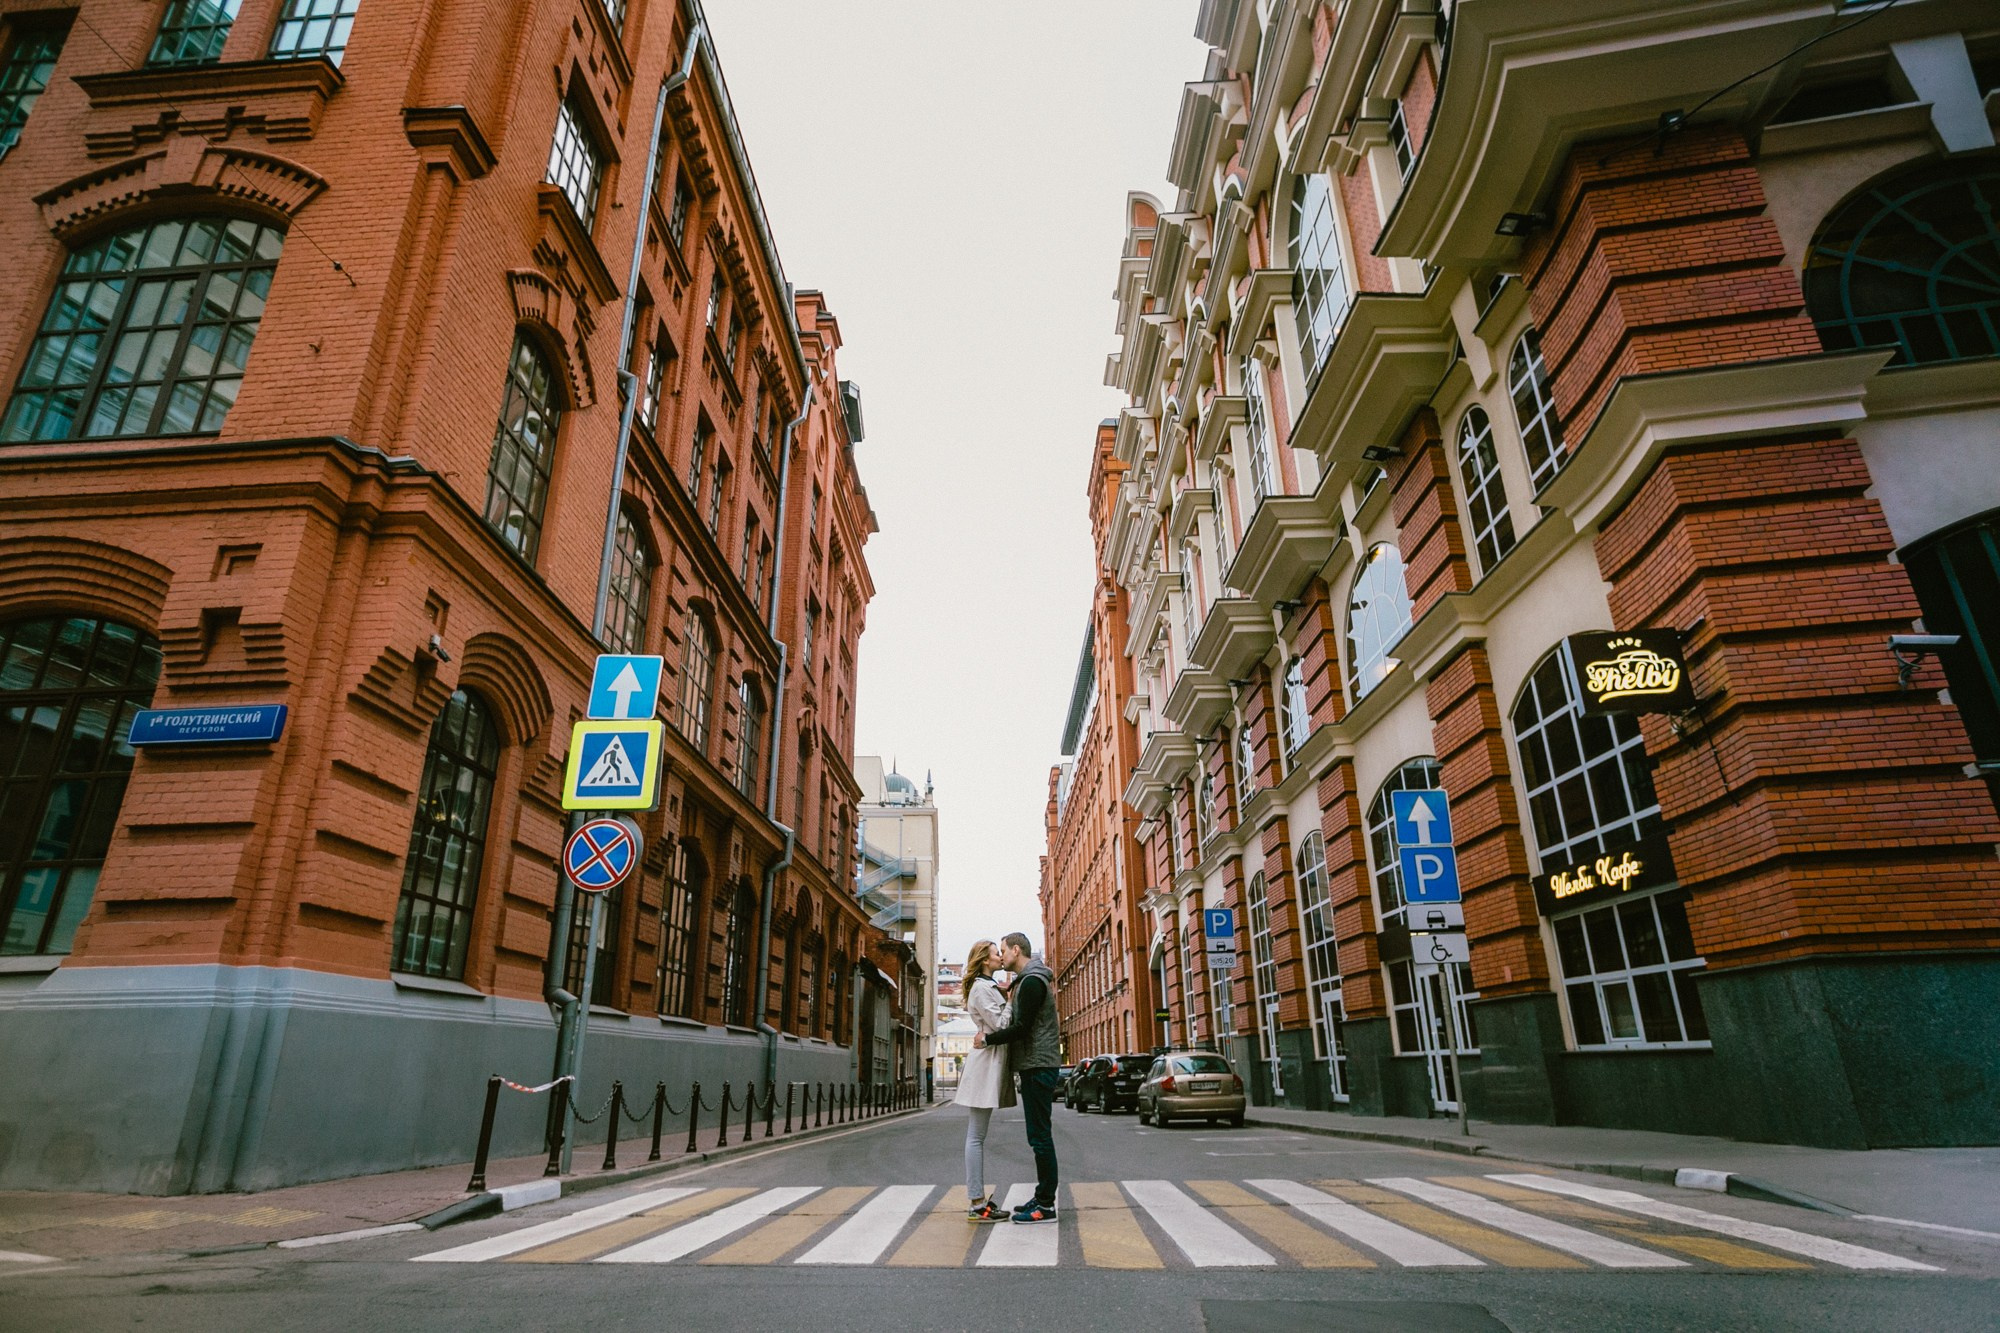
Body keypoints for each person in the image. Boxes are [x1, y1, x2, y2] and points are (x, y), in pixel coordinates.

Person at [974, 930, 1061, 1223]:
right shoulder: (1026, 982)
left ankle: (1046, 1205)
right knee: (1037, 1136)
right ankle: (1042, 1195)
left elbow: (1023, 1028)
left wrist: (988, 1040)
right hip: (1033, 1064)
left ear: (1015, 950)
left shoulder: (1033, 982)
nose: (1001, 955)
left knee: (1040, 1137)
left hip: (1038, 1064)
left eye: (1003, 950)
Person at [956, 939, 1015, 1223]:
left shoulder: (987, 987)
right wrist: (1013, 1001)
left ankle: (978, 1201)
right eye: (995, 953)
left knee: (977, 1136)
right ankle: (977, 1203)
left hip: (990, 1062)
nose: (1000, 957)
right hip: (984, 1067)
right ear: (984, 960)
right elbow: (1001, 1025)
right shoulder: (981, 989)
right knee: (976, 1137)